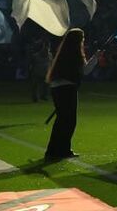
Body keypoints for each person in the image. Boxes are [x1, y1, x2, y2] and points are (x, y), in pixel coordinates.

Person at [44, 28, 97, 161]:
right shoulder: (75, 53)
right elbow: (85, 71)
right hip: (67, 88)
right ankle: (63, 150)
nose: (83, 41)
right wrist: (96, 58)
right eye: (82, 38)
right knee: (69, 122)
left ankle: (53, 150)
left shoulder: (63, 53)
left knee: (61, 121)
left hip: (57, 88)